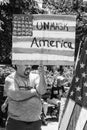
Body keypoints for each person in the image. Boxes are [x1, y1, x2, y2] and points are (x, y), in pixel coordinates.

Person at [2, 64, 47, 130]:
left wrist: (42, 75)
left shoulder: (36, 77)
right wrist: (35, 91)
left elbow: (42, 91)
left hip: (35, 123)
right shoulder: (10, 78)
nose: (29, 66)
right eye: (25, 64)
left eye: (30, 64)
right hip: (16, 123)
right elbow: (16, 95)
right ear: (17, 65)